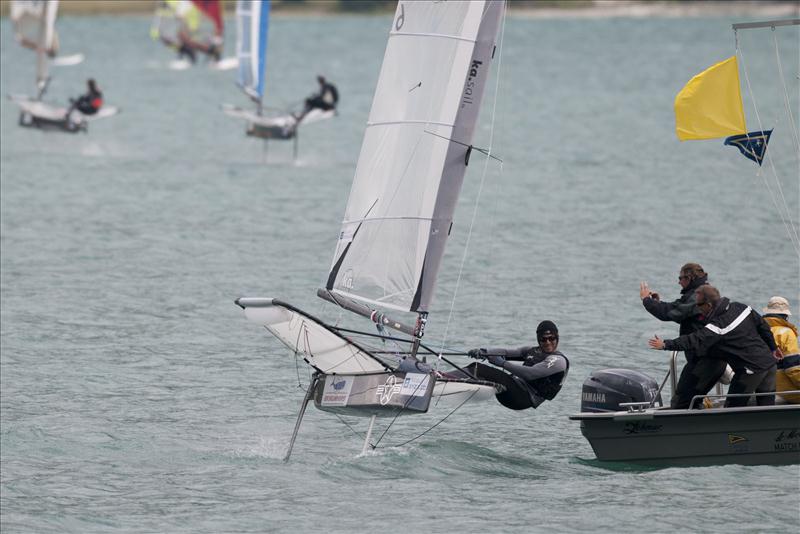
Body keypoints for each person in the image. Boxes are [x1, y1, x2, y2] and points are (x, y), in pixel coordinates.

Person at [648, 285, 779, 407]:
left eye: (699, 305)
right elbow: (763, 326)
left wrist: (665, 344)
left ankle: (731, 432)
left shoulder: (718, 326)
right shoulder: (742, 308)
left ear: (709, 305)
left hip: (750, 371)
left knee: (732, 409)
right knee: (767, 406)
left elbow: (694, 340)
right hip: (770, 364)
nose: (697, 308)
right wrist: (773, 348)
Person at [640, 263, 727, 408]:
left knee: (681, 403)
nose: (678, 281)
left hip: (705, 361)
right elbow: (677, 308)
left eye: (680, 278)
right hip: (707, 359)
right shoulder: (701, 292)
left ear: (689, 277)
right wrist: (657, 302)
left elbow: (671, 313)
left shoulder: (697, 296)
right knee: (690, 400)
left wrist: (646, 301)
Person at [464, 320, 569, 410]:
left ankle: (449, 378)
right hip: (512, 391)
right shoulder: (531, 351)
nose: (548, 342)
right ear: (538, 339)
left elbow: (530, 374)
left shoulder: (558, 361)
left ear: (557, 337)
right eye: (543, 339)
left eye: (551, 338)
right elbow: (506, 352)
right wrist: (483, 351)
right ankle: (459, 382)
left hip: (524, 398)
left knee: (478, 368)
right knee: (477, 368)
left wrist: (503, 363)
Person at [762, 296, 800, 404]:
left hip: (763, 387)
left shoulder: (757, 330)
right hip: (784, 390)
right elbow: (793, 368)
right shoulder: (786, 333)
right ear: (786, 316)